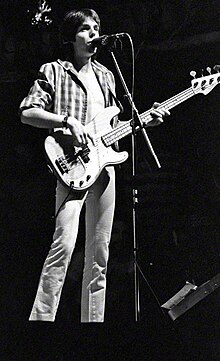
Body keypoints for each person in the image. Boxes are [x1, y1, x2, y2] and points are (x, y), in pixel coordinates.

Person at [19, 8, 170, 323]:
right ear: (71, 37)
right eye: (85, 29)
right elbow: (27, 112)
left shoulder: (106, 74)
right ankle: (41, 320)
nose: (93, 34)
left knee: (99, 255)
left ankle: (94, 323)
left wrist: (143, 122)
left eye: (96, 28)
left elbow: (112, 125)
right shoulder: (54, 71)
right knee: (63, 246)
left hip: (104, 166)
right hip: (72, 166)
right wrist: (65, 120)